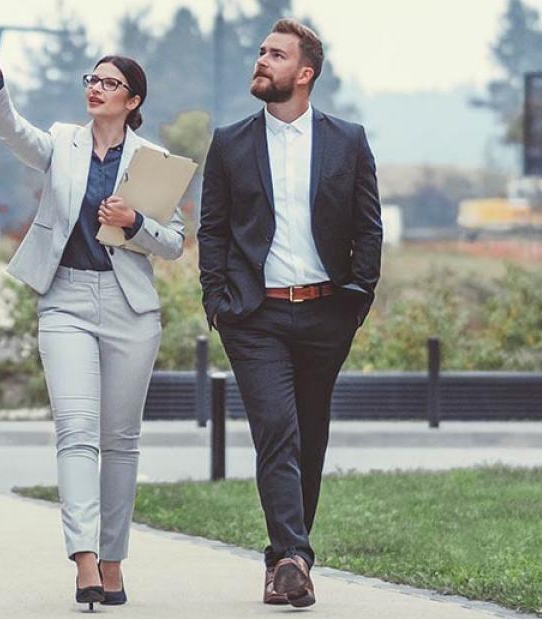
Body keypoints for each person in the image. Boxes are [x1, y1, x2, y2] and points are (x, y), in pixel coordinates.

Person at [0, 13, 186, 610]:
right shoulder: (62, 141)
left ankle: (114, 563)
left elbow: (173, 242)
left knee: (119, 442)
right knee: (76, 434)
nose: (94, 87)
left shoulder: (154, 161)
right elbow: (12, 131)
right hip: (64, 298)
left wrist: (134, 223)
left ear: (132, 100)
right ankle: (84, 562)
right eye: (91, 78)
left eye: (109, 83)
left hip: (129, 308)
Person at [198, 17, 381, 609]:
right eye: (260, 52)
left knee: (309, 437)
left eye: (275, 55)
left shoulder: (347, 140)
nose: (261, 60)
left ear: (304, 73)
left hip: (327, 312)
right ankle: (297, 558)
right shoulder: (230, 142)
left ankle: (281, 564)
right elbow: (214, 229)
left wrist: (358, 297)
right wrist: (217, 301)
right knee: (277, 431)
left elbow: (367, 225)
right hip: (255, 316)